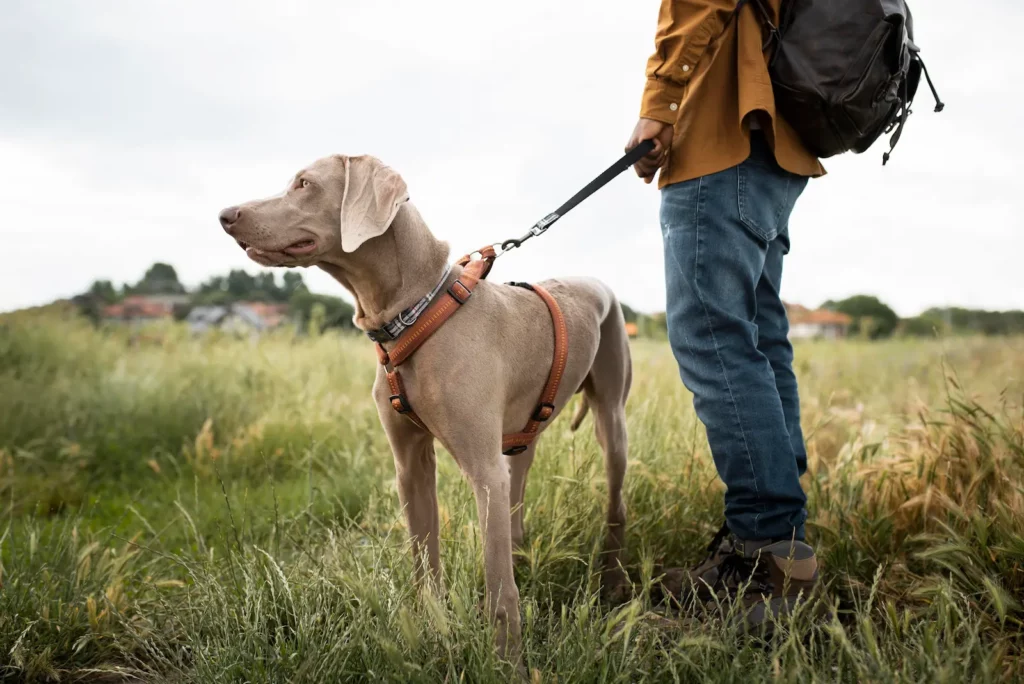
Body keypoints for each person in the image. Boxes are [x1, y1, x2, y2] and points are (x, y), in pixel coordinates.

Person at [625, 0, 823, 624]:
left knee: (714, 340)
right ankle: (780, 538)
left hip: (723, 138)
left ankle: (766, 553)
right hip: (776, 143)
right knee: (759, 340)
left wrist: (658, 105)